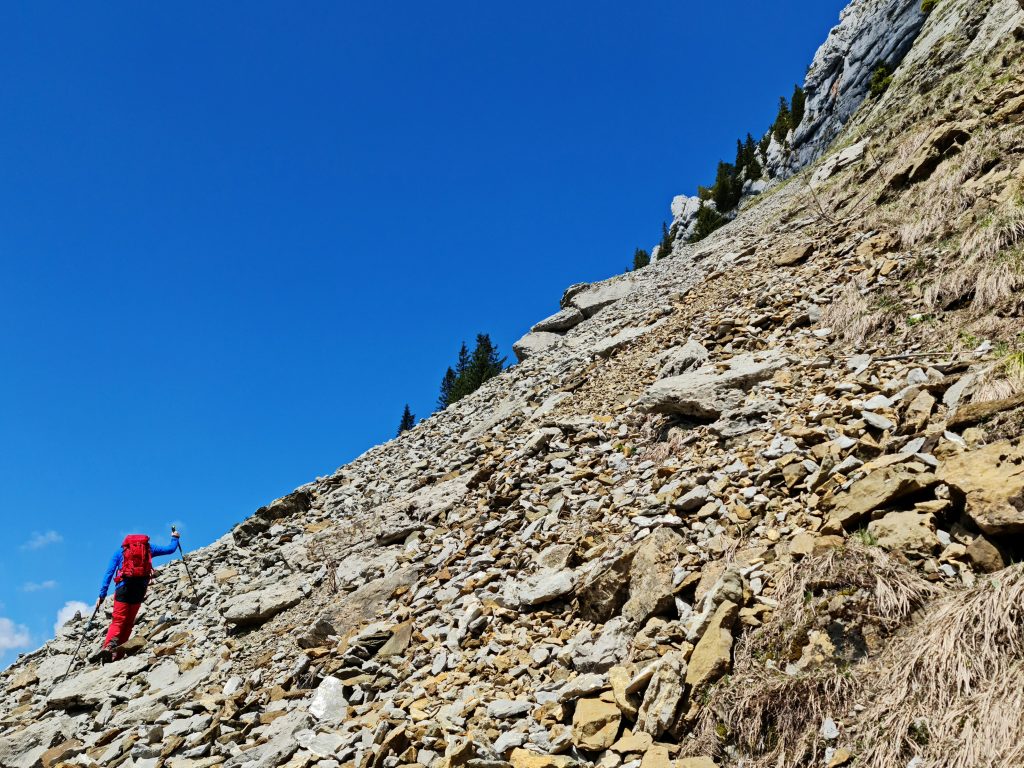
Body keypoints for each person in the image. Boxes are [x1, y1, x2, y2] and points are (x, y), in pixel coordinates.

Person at [94, 531, 180, 662]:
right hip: (139, 589)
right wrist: (175, 538)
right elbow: (170, 549)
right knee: (128, 623)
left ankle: (108, 648)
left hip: (123, 588)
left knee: (118, 621)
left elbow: (109, 573)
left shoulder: (121, 551)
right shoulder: (149, 548)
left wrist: (102, 595)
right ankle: (118, 655)